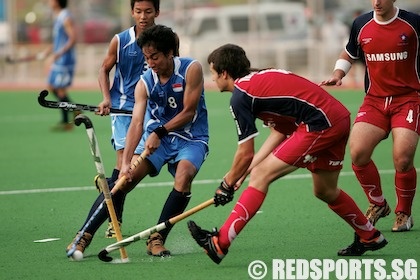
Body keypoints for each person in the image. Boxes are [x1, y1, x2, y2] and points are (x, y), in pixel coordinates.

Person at [187, 44, 388, 265]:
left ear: (224, 73)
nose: (213, 79)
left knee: (261, 176)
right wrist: (243, 172)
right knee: (325, 190)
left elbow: (245, 153)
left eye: (213, 73)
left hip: (320, 124)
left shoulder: (241, 96)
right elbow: (279, 131)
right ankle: (370, 236)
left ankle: (220, 243)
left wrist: (227, 183)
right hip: (336, 118)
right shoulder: (258, 79)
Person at [66, 24, 209, 257]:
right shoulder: (145, 82)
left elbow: (189, 112)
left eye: (155, 57)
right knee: (123, 182)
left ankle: (157, 238)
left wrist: (160, 132)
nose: (150, 63)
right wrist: (125, 164)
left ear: (170, 53)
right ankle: (84, 235)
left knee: (184, 177)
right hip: (156, 138)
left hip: (191, 138)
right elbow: (136, 123)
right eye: (146, 58)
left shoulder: (191, 69)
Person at [319, 0, 419, 232]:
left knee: (403, 158)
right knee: (358, 152)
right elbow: (349, 51)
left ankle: (404, 213)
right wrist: (338, 73)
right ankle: (378, 204)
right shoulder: (361, 23)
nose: (376, 2)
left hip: (409, 99)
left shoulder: (412, 23)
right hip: (374, 101)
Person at [94, 0, 161, 239]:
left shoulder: (166, 39)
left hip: (151, 111)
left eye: (148, 11)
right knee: (125, 164)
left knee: (129, 170)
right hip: (123, 111)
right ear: (132, 12)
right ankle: (115, 221)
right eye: (138, 11)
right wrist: (105, 98)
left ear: (157, 12)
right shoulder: (120, 40)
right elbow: (104, 69)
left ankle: (109, 187)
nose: (143, 16)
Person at [44, 0, 77, 131]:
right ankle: (75, 109)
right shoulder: (58, 16)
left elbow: (72, 38)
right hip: (59, 58)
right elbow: (60, 39)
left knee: (59, 89)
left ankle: (66, 122)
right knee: (51, 87)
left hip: (65, 60)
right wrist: (50, 50)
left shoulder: (65, 17)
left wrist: (59, 53)